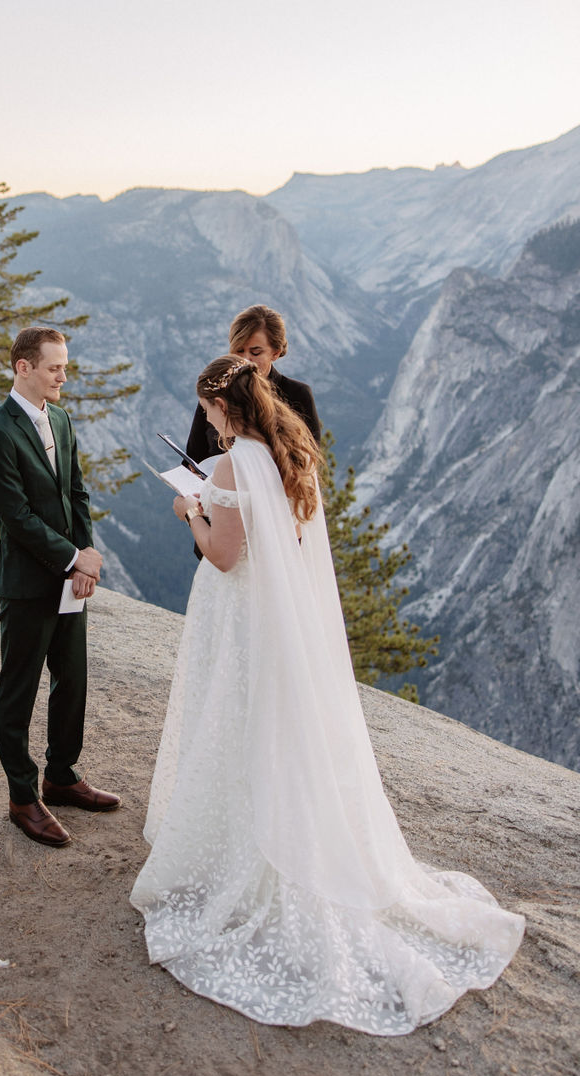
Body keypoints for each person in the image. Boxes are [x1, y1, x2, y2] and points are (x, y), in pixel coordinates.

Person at [131, 356, 524, 1033]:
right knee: (274, 737)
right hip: (285, 625)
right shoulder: (291, 452)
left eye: (210, 409)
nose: (207, 420)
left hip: (244, 619)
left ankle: (250, 859)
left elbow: (223, 554)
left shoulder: (230, 467)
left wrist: (189, 508)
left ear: (226, 406)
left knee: (237, 726)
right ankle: (283, 835)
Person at [0, 326, 121, 849]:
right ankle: (22, 795)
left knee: (72, 680)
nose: (64, 375)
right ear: (23, 368)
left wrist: (83, 559)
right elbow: (15, 517)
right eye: (55, 366)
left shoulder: (59, 417)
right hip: (27, 584)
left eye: (64, 365)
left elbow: (75, 491)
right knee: (18, 689)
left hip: (68, 579)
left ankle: (62, 775)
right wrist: (70, 557)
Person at [185, 304, 320, 466]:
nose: (245, 359)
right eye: (239, 351)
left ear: (275, 353)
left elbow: (307, 465)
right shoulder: (215, 391)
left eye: (256, 352)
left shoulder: (297, 394)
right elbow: (193, 458)